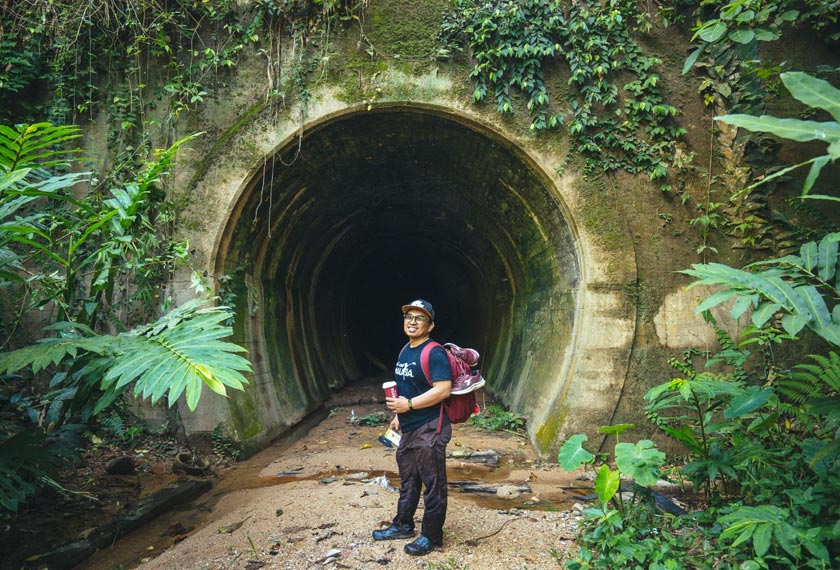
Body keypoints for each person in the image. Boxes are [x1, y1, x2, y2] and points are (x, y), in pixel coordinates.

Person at [372, 298, 452, 556]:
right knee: (408, 480)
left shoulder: (434, 352)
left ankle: (431, 536)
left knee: (433, 483)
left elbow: (443, 390)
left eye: (420, 318)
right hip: (408, 427)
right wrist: (399, 415)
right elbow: (407, 389)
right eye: (409, 317)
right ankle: (403, 525)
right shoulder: (406, 350)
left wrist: (410, 406)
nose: (413, 322)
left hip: (430, 428)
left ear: (430, 326)